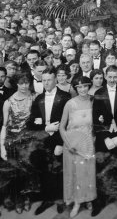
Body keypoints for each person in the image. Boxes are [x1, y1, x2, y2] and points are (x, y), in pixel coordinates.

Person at [27, 68, 72, 215]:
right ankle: (47, 199)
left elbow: (69, 123)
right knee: (45, 170)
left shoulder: (65, 97)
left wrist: (61, 143)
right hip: (43, 140)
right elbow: (30, 124)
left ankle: (60, 199)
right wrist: (44, 127)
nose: (46, 82)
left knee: (59, 170)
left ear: (55, 80)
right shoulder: (38, 98)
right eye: (44, 80)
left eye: (49, 80)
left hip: (59, 139)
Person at [91, 65, 117, 216]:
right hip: (104, 138)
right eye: (109, 77)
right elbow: (96, 119)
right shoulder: (98, 93)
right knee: (102, 169)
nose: (112, 79)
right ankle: (101, 200)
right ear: (105, 76)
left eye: (115, 77)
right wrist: (106, 138)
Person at [0, 72, 39, 213]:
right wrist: (2, 148)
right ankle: (18, 199)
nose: (24, 86)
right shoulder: (8, 102)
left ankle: (27, 198)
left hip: (29, 141)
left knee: (28, 172)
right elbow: (4, 126)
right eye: (21, 83)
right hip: (12, 142)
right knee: (15, 173)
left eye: (26, 82)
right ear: (16, 83)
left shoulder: (34, 97)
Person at [59, 76, 97, 218]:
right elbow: (61, 127)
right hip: (72, 146)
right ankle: (76, 202)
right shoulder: (70, 104)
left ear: (89, 86)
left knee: (88, 174)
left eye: (85, 86)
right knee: (75, 174)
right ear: (75, 88)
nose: (82, 89)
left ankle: (88, 199)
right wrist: (69, 144)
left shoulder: (94, 101)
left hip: (88, 144)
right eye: (79, 87)